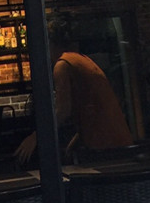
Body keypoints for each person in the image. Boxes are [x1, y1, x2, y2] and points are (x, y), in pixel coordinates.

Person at [15, 17, 132, 164]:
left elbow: (63, 111)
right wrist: (75, 141)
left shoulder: (62, 65)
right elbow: (94, 108)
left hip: (106, 146)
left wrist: (35, 137)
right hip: (119, 139)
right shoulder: (81, 60)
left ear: (48, 44)